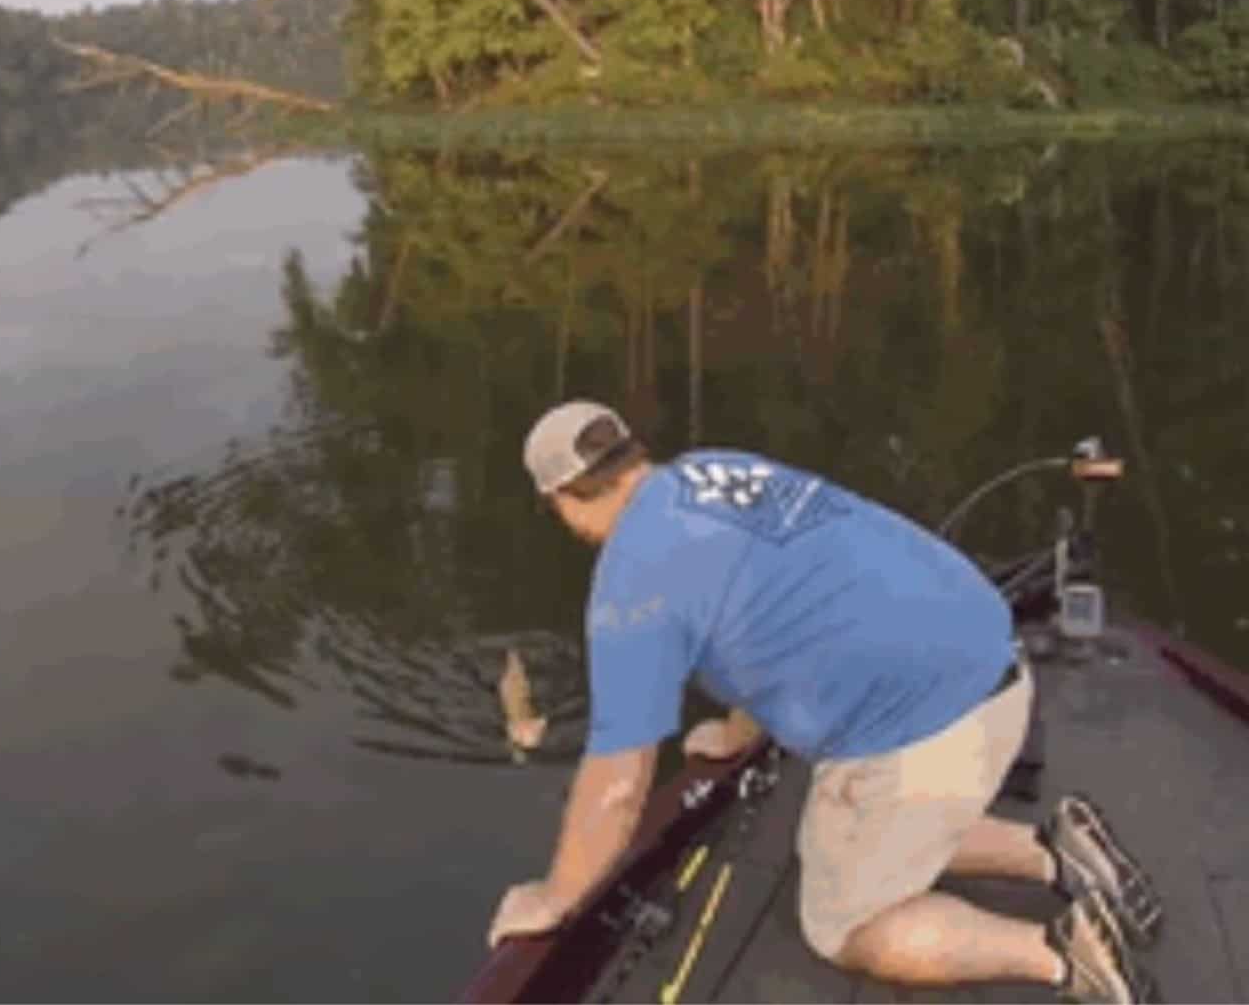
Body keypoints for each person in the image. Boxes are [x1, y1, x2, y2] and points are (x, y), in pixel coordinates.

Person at [486, 400, 1163, 1004]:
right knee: (839, 836)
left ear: (561, 501)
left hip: (930, 721)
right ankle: (1057, 851)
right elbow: (769, 601)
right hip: (988, 649)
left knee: (843, 925)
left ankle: (1061, 955)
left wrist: (556, 897)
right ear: (632, 453)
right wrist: (735, 731)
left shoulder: (631, 580)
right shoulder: (710, 471)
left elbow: (617, 784)